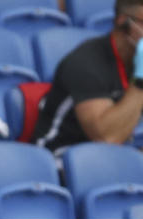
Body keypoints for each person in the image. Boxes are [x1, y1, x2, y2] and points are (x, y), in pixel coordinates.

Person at [33, 0, 143, 151]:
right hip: (60, 154)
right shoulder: (85, 62)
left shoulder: (135, 61)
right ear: (124, 22)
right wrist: (140, 81)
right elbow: (107, 138)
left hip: (114, 155)